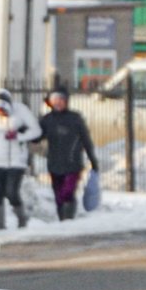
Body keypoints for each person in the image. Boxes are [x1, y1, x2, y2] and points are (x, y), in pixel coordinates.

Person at [0, 88, 42, 229]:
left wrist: (18, 136)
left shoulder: (21, 110)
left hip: (17, 161)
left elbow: (36, 130)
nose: (1, 114)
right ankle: (1, 226)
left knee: (11, 192)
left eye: (3, 111)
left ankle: (22, 219)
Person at [35, 88, 99, 220]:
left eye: (61, 99)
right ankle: (62, 219)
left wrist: (93, 159)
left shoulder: (75, 118)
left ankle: (68, 217)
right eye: (55, 100)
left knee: (67, 192)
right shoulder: (47, 120)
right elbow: (37, 137)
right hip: (54, 163)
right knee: (58, 195)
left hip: (72, 163)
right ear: (50, 102)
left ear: (66, 101)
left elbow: (86, 139)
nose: (58, 102)